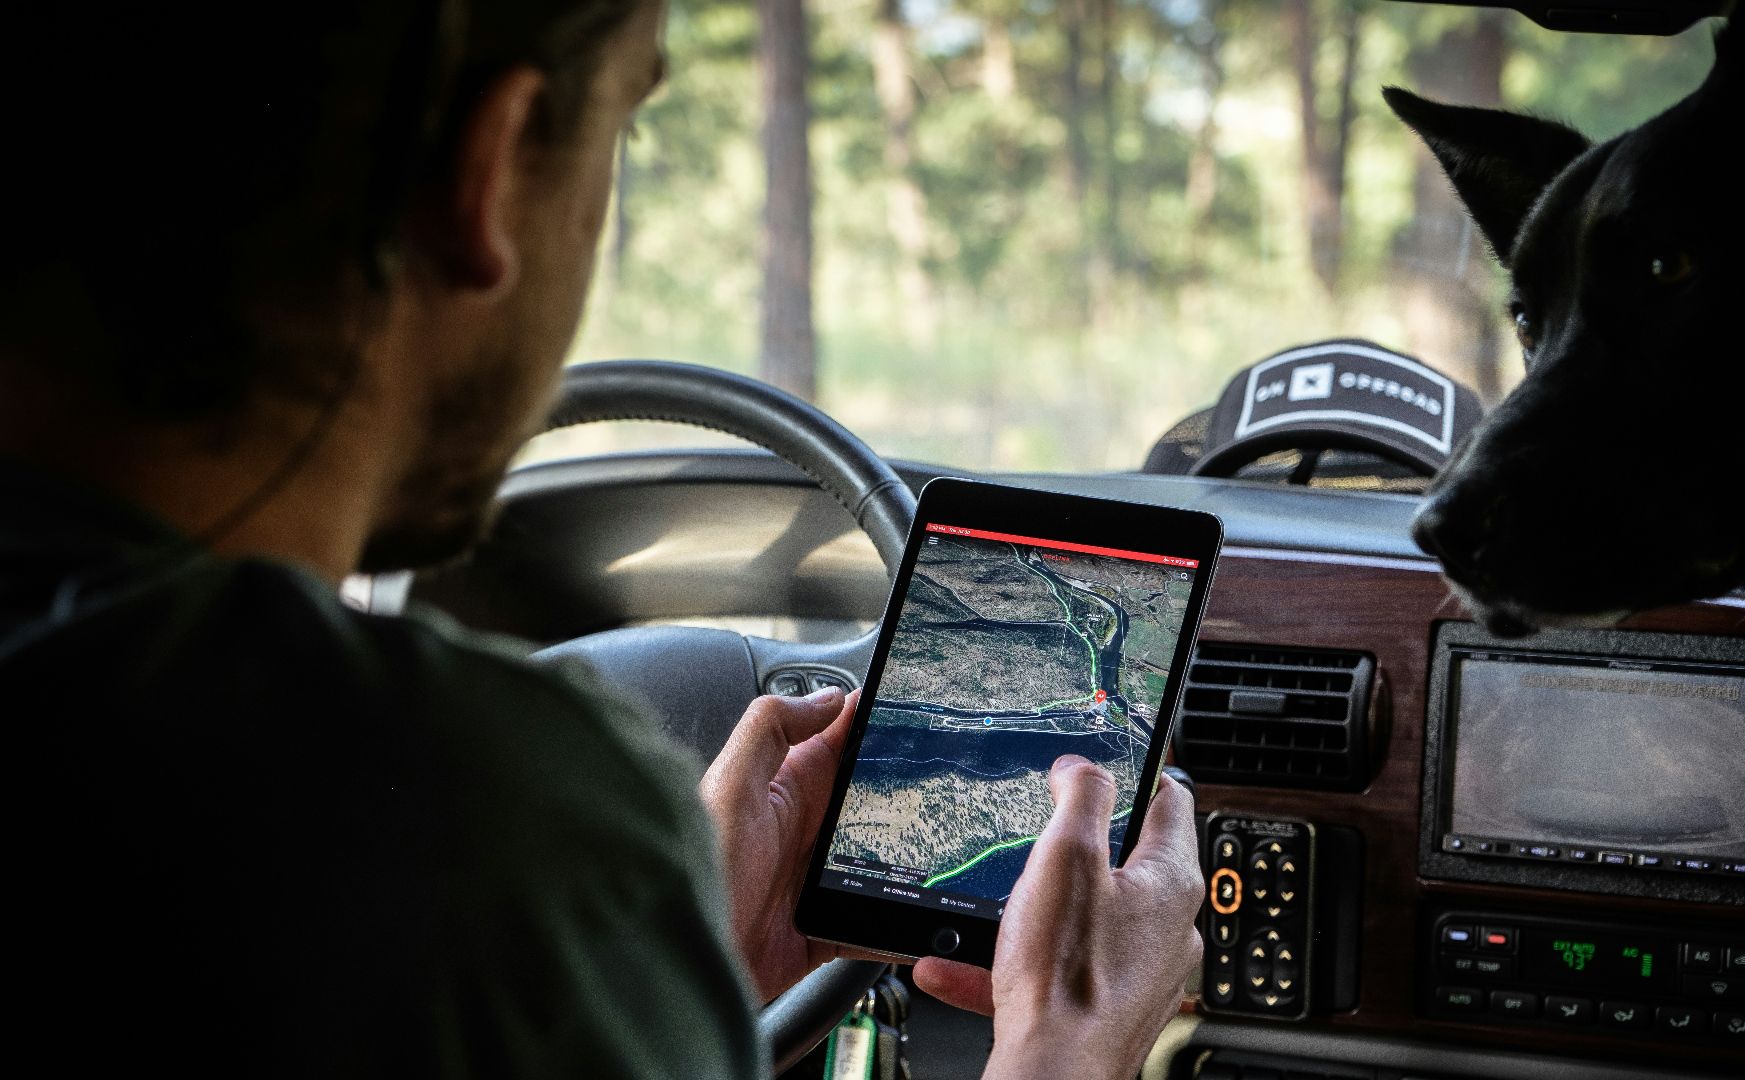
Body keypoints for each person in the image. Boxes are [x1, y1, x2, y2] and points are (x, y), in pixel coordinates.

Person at [0, 2, 1204, 1076]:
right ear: (491, 166)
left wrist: (689, 977)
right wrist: (1069, 1041)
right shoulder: (489, 832)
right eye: (620, 131)